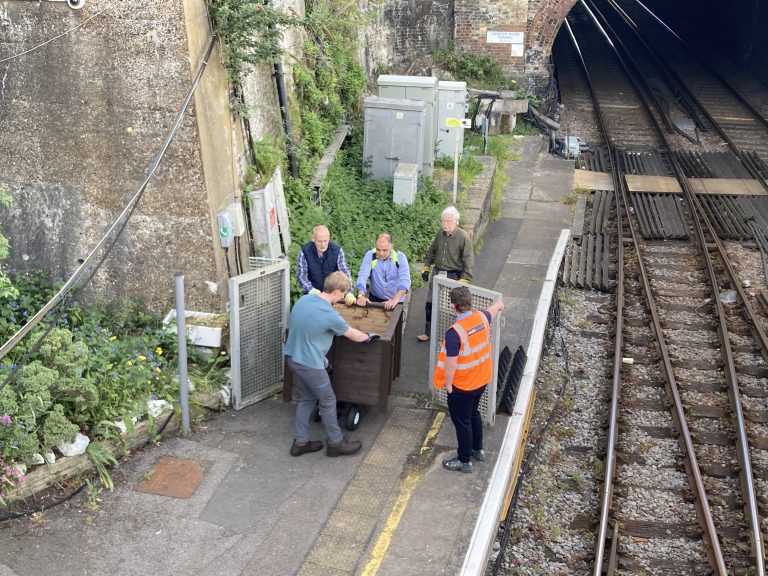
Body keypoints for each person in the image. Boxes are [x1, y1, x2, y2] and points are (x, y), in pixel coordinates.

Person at [284, 271, 378, 457]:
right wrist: (369, 336)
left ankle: (300, 443)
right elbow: (354, 335)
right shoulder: (329, 315)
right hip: (310, 365)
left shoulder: (304, 301)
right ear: (336, 292)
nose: (343, 298)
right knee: (328, 400)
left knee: (307, 398)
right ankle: (336, 443)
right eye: (343, 294)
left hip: (292, 358)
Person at [433, 286, 504, 473]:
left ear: (453, 306)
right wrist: (499, 304)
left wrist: (448, 385)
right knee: (474, 414)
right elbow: (493, 310)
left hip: (462, 386)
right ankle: (477, 449)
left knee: (462, 423)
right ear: (470, 303)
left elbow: (451, 363)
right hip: (481, 380)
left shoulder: (454, 332)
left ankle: (464, 460)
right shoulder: (481, 318)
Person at [417, 206, 475, 341]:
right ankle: (428, 332)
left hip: (454, 275)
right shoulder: (440, 233)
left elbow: (469, 259)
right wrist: (426, 267)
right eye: (443, 221)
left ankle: (456, 334)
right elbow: (432, 250)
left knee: (456, 306)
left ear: (457, 222)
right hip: (438, 272)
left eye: (448, 221)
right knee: (430, 302)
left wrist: (465, 279)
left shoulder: (463, 237)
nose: (445, 224)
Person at [297, 225, 355, 305]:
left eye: (325, 241)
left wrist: (349, 292)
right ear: (313, 239)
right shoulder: (304, 252)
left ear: (329, 238)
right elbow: (301, 276)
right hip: (312, 296)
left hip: (332, 296)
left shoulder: (337, 250)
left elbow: (344, 272)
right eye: (319, 241)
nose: (323, 244)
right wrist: (311, 290)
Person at [355, 233, 411, 310]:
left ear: (391, 246)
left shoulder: (400, 257)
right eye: (378, 249)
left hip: (395, 300)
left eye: (384, 250)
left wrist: (395, 300)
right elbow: (362, 276)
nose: (381, 253)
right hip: (375, 298)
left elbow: (405, 281)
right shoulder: (370, 255)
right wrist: (361, 296)